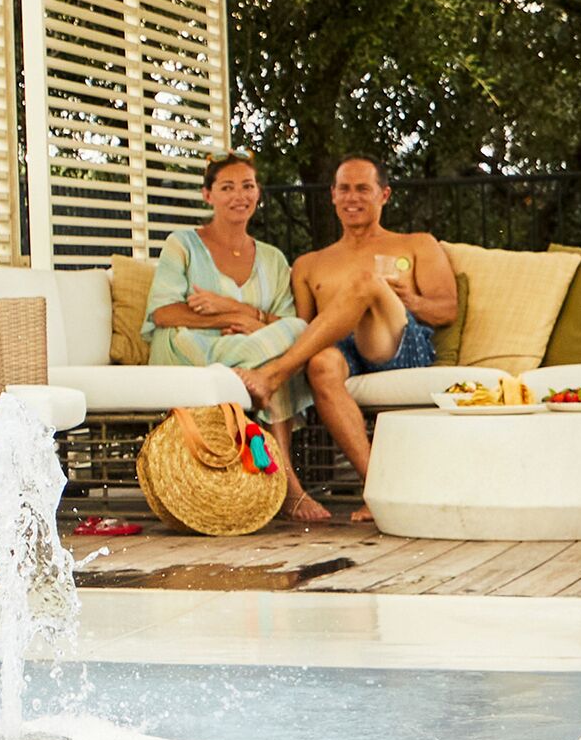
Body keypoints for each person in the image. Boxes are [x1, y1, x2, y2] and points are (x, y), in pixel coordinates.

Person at [239, 156, 458, 519]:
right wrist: (250, 320)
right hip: (345, 353)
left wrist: (410, 300)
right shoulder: (310, 264)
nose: (352, 197)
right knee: (321, 363)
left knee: (364, 281)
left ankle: (273, 375)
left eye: (362, 189)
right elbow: (305, 331)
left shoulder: (417, 243)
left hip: (399, 343)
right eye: (344, 188)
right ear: (332, 195)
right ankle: (378, 490)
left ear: (384, 195)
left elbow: (447, 309)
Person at [142, 150, 335, 527]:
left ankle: (281, 478)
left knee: (294, 335)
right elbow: (163, 313)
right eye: (227, 187)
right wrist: (235, 316)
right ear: (207, 195)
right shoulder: (182, 244)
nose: (239, 196)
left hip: (247, 350)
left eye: (247, 186)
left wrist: (238, 310)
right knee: (279, 357)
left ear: (258, 192)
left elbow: (286, 323)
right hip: (187, 347)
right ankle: (289, 489)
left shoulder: (273, 258)